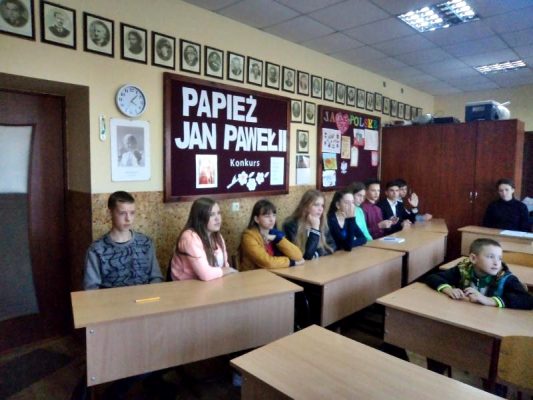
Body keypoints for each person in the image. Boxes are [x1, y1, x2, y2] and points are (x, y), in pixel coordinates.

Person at [84, 191, 163, 290]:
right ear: (110, 213)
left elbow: (156, 278)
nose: (128, 219)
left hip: (144, 297)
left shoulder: (146, 243)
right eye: (122, 213)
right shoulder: (96, 249)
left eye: (132, 213)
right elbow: (91, 288)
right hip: (111, 299)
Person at [425, 238, 533, 309]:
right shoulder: (463, 269)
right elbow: (433, 277)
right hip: (466, 315)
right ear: (473, 258)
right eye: (490, 257)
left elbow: (528, 300)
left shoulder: (506, 278)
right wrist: (448, 290)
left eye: (499, 258)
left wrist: (489, 300)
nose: (496, 263)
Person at [171, 198, 236, 281]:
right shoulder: (189, 237)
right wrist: (229, 270)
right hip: (186, 285)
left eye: (219, 213)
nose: (217, 218)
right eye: (211, 215)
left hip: (213, 283)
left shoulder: (218, 236)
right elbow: (206, 275)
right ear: (200, 218)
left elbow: (225, 266)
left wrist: (228, 271)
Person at [239, 199, 304, 271]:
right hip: (253, 275)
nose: (272, 219)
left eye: (274, 215)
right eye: (267, 216)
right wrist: (291, 262)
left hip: (272, 273)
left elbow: (298, 256)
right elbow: (266, 262)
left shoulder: (275, 233)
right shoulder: (248, 237)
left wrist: (277, 239)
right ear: (256, 219)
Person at [283, 189, 335, 260]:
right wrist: (315, 228)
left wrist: (317, 254)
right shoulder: (291, 225)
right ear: (305, 207)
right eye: (316, 205)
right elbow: (307, 255)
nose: (320, 209)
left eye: (322, 205)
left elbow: (332, 245)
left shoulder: (323, 222)